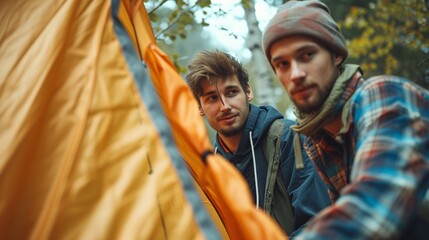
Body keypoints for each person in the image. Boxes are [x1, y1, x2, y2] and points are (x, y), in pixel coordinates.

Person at [262, 1, 429, 239]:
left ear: (337, 54)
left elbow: (371, 210)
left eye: (307, 55)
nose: (296, 74)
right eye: (282, 64)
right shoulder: (317, 139)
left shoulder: (383, 94)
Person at [185, 50, 331, 237]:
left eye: (231, 92)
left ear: (248, 91)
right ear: (199, 107)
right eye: (212, 98)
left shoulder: (288, 138)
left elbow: (318, 224)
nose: (225, 106)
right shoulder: (210, 168)